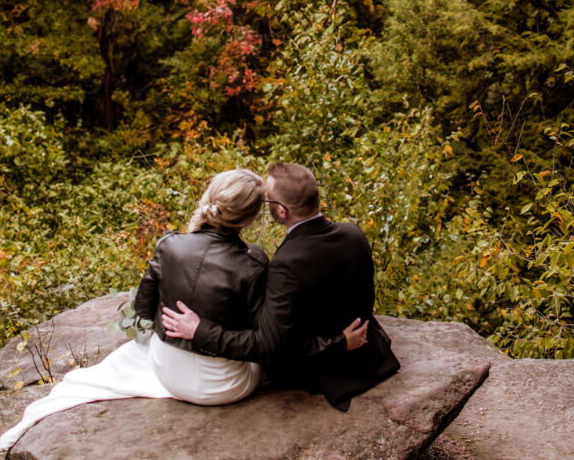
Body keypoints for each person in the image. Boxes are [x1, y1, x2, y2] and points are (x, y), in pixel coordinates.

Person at [0, 169, 269, 451]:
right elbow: (261, 341)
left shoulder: (170, 245)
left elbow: (142, 309)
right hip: (224, 387)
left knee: (134, 353)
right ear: (249, 218)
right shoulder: (254, 264)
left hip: (167, 372)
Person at [163, 162, 400, 411]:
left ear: (282, 211)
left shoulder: (286, 264)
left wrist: (201, 331)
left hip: (327, 369)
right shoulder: (354, 234)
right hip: (371, 354)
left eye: (267, 200)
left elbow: (272, 346)